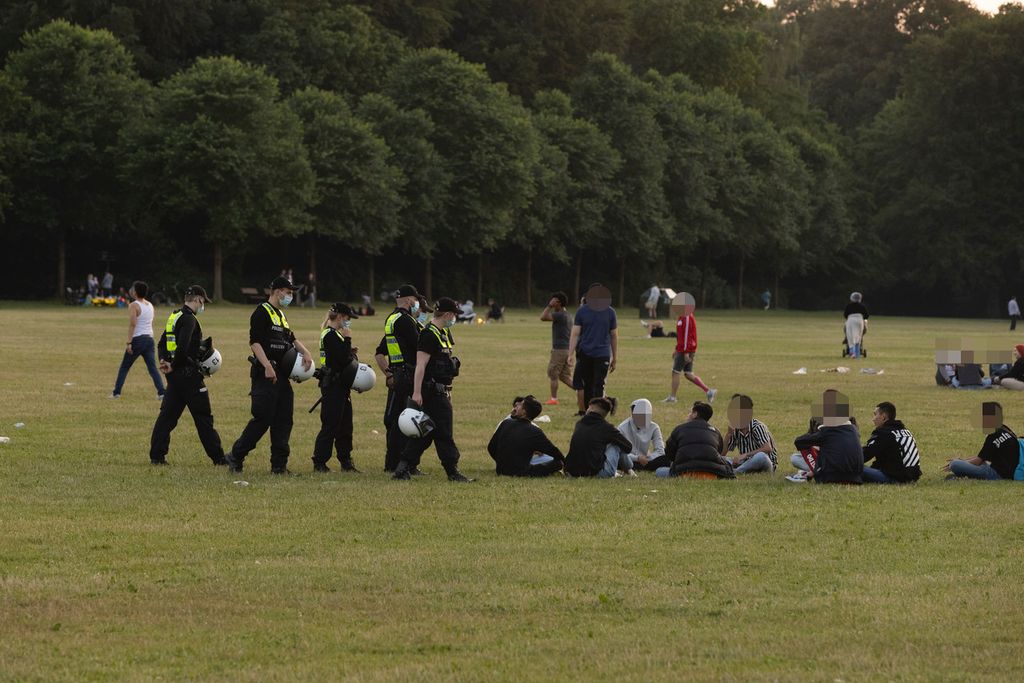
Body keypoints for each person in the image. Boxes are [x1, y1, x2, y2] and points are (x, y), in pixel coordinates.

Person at [228, 276, 313, 474]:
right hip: (265, 374)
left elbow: (292, 339)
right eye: (288, 292)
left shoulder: (281, 315)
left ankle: (279, 466)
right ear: (276, 291)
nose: (290, 296)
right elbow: (255, 342)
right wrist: (267, 365)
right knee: (262, 419)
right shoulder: (261, 312)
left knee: (284, 420)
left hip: (282, 375)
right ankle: (236, 455)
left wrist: (306, 352)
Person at [393, 297, 472, 482]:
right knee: (444, 431)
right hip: (431, 391)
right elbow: (420, 365)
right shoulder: (429, 334)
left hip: (438, 390)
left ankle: (402, 468)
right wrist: (417, 392)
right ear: (447, 314)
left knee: (426, 431)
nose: (455, 319)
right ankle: (452, 472)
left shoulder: (441, 333)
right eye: (454, 315)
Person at [149, 285, 226, 466]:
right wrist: (174, 364)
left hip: (174, 378)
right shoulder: (190, 320)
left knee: (167, 417)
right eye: (203, 302)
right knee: (203, 418)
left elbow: (161, 343)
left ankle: (157, 456)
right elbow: (183, 349)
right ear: (198, 299)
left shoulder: (174, 316)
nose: (203, 305)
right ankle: (219, 458)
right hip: (189, 376)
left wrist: (164, 362)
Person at [378, 284, 424, 472]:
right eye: (415, 299)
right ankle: (399, 464)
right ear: (408, 300)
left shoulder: (392, 318)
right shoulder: (405, 321)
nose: (416, 303)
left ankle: (396, 462)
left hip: (397, 373)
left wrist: (389, 372)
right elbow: (419, 347)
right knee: (404, 421)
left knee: (396, 420)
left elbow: (381, 351)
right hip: (407, 374)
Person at [311, 303, 361, 473]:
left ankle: (346, 461)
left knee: (345, 426)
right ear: (340, 317)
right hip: (333, 386)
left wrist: (349, 350)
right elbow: (339, 360)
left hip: (341, 386)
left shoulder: (334, 335)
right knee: (331, 425)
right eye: (347, 319)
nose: (348, 323)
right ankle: (320, 462)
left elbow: (340, 355)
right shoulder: (330, 335)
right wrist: (348, 339)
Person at [791, 389, 863, 484]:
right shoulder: (852, 427)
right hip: (856, 476)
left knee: (798, 454)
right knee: (796, 457)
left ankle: (814, 472)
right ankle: (813, 470)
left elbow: (800, 441)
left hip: (830, 475)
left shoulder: (827, 428)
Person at [110, 281, 165, 400]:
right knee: (152, 368)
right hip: (149, 339)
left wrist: (129, 342)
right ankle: (162, 392)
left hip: (138, 340)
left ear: (135, 292)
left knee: (125, 367)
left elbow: (133, 324)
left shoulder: (134, 305)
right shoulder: (150, 305)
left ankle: (116, 393)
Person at [567, 284, 618, 413]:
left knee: (594, 385)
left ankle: (595, 412)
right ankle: (592, 412)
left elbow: (614, 336)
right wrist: (570, 353)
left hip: (597, 354)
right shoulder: (585, 311)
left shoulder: (609, 312)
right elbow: (575, 333)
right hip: (590, 353)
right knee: (593, 385)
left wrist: (615, 357)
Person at [487, 395, 564, 477]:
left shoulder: (506, 423)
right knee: (557, 463)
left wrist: (501, 462)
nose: (517, 405)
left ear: (524, 412)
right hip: (521, 472)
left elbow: (491, 447)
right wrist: (564, 461)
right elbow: (553, 451)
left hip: (500, 470)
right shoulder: (534, 431)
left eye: (520, 405)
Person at [657, 401, 733, 479]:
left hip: (684, 473)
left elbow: (669, 453)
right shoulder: (716, 432)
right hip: (712, 473)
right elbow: (719, 453)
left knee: (659, 471)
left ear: (695, 414)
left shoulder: (680, 429)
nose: (688, 415)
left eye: (690, 412)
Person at [944, 402, 1019, 480]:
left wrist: (958, 462)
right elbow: (983, 457)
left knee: (955, 464)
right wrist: (963, 460)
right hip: (1011, 472)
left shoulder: (993, 435)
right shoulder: (1006, 430)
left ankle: (965, 477)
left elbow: (978, 461)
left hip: (998, 475)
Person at [662, 296, 716, 404]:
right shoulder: (682, 316)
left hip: (686, 350)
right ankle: (709, 391)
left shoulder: (686, 317)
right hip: (683, 349)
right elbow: (681, 336)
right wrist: (676, 349)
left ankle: (672, 397)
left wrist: (685, 352)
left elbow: (687, 336)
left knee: (675, 372)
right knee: (688, 374)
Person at [565, 397, 635, 478]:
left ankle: (627, 469)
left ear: (592, 409)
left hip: (571, 472)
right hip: (595, 473)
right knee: (616, 444)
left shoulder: (579, 424)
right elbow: (628, 447)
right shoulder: (607, 428)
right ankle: (629, 469)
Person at [861, 402, 921, 484]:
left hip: (895, 478)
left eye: (875, 414)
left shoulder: (883, 433)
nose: (873, 419)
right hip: (912, 478)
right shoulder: (905, 431)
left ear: (884, 417)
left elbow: (865, 455)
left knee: (853, 467)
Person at [721, 394, 777, 474]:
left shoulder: (757, 426)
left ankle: (735, 472)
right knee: (720, 459)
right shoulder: (735, 429)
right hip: (745, 463)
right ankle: (739, 470)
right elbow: (722, 454)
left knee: (760, 456)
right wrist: (728, 434)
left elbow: (767, 449)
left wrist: (745, 455)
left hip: (765, 463)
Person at [540, 292, 574, 405]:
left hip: (559, 350)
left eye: (553, 300)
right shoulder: (568, 315)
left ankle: (553, 399)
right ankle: (582, 391)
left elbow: (543, 317)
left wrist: (549, 306)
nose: (551, 302)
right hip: (566, 350)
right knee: (564, 377)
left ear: (558, 302)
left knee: (553, 373)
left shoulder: (559, 315)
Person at [617, 398, 667, 471]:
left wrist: (648, 458)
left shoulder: (654, 427)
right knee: (620, 460)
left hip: (647, 460)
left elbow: (660, 451)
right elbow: (620, 453)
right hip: (630, 460)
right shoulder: (622, 428)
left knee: (666, 459)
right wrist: (637, 458)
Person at [844, 292, 869, 359]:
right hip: (859, 321)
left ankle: (852, 352)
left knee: (850, 336)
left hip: (851, 320)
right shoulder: (862, 306)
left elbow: (845, 315)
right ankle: (857, 354)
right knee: (858, 336)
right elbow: (866, 315)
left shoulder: (849, 305)